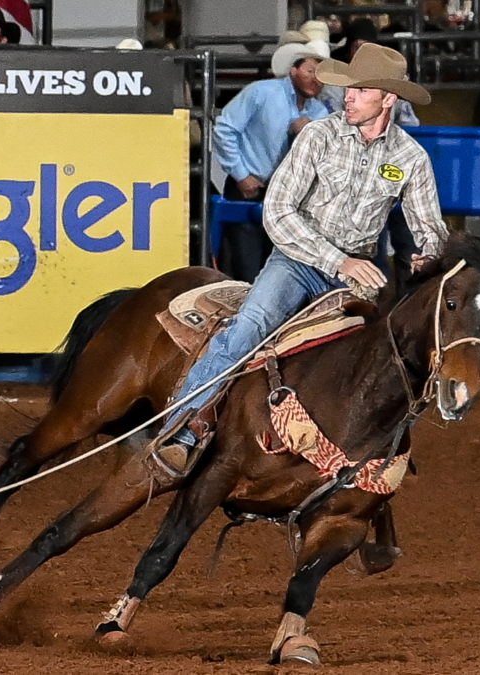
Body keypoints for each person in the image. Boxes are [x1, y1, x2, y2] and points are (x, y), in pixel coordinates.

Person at [147, 44, 448, 482]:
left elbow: (430, 227)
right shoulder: (318, 136)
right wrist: (338, 260)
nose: (347, 96)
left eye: (360, 90)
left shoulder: (410, 159)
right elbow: (278, 211)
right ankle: (185, 428)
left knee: (384, 357)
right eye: (348, 88)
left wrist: (430, 253)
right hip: (297, 262)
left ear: (388, 99)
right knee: (248, 328)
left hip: (355, 273)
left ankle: (370, 447)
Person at [315, 17, 422, 289]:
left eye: (365, 47)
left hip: (390, 167)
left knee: (405, 242)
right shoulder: (336, 88)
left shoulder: (390, 86)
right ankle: (378, 299)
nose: (358, 51)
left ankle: (402, 302)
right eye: (356, 46)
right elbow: (334, 124)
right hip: (355, 171)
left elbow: (411, 125)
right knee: (372, 241)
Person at [212, 37, 331, 281]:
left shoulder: (319, 113)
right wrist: (241, 174)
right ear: (294, 69)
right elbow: (224, 128)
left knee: (279, 269)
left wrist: (308, 134)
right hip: (249, 187)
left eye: (321, 74)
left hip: (289, 198)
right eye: (310, 71)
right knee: (247, 267)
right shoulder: (262, 92)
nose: (316, 79)